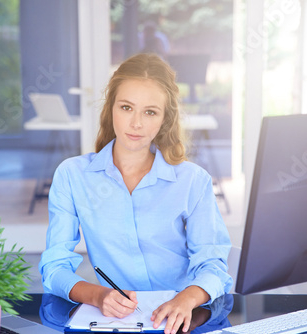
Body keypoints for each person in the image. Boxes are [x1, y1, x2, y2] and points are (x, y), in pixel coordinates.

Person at [39, 53, 232, 334]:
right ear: (111, 109)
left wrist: (186, 299)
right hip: (114, 322)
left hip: (182, 320)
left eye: (150, 112)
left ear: (165, 119)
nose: (136, 123)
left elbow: (214, 265)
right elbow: (54, 268)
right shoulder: (72, 176)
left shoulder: (192, 180)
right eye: (126, 107)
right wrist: (97, 295)